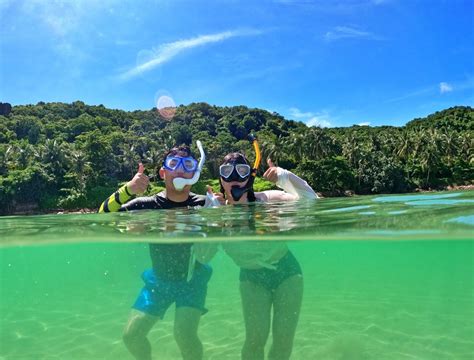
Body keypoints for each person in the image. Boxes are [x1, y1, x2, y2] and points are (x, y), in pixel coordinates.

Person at [204, 137, 318, 360]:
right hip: (251, 277)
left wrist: (285, 176)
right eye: (227, 171)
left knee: (283, 340)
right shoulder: (216, 213)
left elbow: (311, 202)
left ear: (250, 175)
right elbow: (203, 255)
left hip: (287, 272)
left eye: (242, 170)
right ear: (221, 180)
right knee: (255, 339)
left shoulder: (269, 199)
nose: (234, 177)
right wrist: (211, 224)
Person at [98, 143, 212, 360]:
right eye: (173, 164)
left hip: (192, 279)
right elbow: (101, 218)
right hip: (159, 280)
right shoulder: (145, 205)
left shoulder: (205, 204)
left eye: (188, 165)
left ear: (195, 173)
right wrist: (127, 190)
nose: (180, 170)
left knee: (184, 334)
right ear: (163, 172)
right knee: (131, 335)